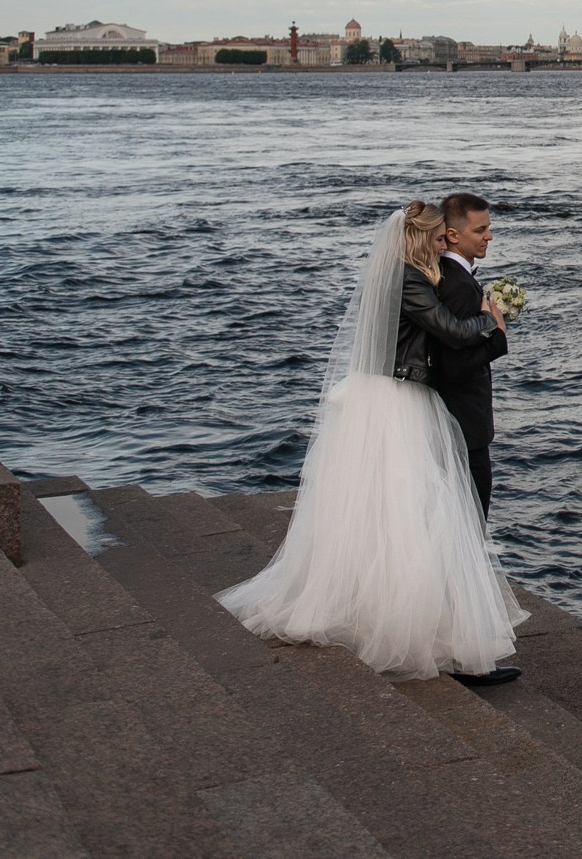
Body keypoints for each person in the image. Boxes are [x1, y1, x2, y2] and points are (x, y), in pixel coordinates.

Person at [217, 202, 529, 684]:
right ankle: (437, 639)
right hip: (397, 399)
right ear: (420, 238)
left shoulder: (406, 274)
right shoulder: (410, 278)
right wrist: (493, 320)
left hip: (391, 394)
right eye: (436, 237)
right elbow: (448, 333)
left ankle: (407, 622)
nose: (441, 244)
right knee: (423, 520)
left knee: (395, 516)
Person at [430, 192, 508, 519]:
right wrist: (498, 337)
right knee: (472, 519)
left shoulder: (448, 276)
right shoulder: (459, 285)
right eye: (480, 230)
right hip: (465, 426)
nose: (489, 236)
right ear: (453, 235)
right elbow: (453, 365)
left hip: (454, 423)